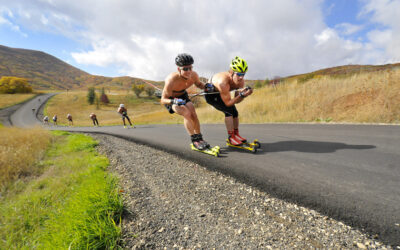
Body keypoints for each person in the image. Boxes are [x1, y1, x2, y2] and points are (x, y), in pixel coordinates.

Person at [160, 53, 210, 150]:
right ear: (179, 69)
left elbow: (199, 84)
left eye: (190, 68)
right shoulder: (171, 80)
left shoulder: (194, 75)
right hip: (171, 99)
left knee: (193, 114)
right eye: (185, 69)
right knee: (186, 113)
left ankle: (199, 138)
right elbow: (162, 100)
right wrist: (174, 101)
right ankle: (194, 140)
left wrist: (207, 87)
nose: (189, 71)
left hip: (183, 95)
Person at [204, 56, 253, 146]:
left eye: (243, 74)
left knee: (235, 113)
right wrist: (241, 95)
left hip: (222, 94)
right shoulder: (223, 82)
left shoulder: (241, 82)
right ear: (231, 72)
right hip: (212, 95)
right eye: (239, 74)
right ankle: (231, 138)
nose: (241, 77)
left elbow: (237, 100)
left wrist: (243, 95)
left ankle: (236, 134)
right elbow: (228, 103)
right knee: (229, 112)